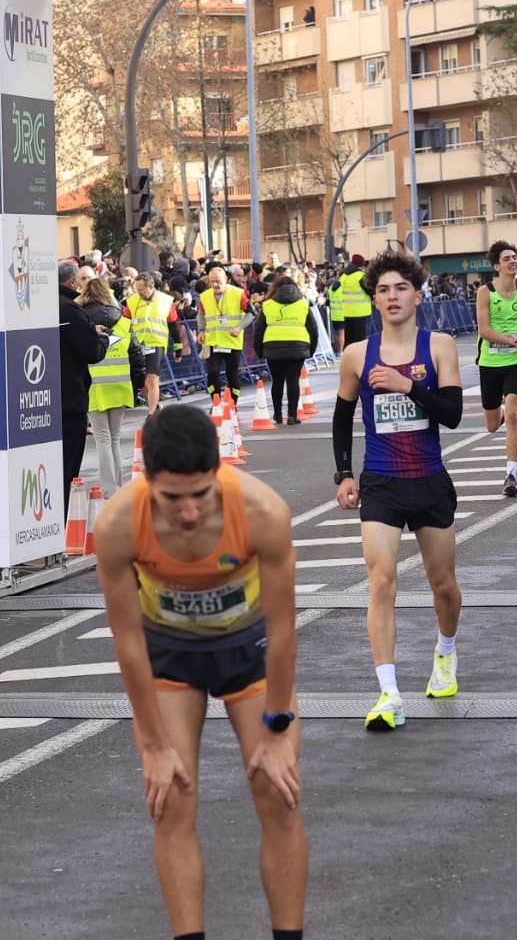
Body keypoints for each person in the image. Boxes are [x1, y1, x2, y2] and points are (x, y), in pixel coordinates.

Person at [93, 406, 307, 940]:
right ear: (146, 480)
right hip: (170, 657)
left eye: (201, 495)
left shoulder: (262, 511)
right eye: (171, 499)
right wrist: (153, 742)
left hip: (251, 650)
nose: (188, 513)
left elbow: (286, 628)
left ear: (220, 471)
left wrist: (279, 726)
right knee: (170, 800)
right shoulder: (117, 524)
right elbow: (128, 643)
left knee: (278, 793)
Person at [332, 251, 464, 731]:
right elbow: (343, 416)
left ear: (418, 295)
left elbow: (450, 413)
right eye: (383, 290)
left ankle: (445, 652)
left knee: (443, 586)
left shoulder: (440, 346)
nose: (392, 296)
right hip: (382, 482)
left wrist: (408, 385)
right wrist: (343, 474)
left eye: (400, 288)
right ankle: (389, 694)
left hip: (428, 478)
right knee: (381, 580)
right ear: (374, 299)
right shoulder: (357, 355)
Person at [475, 241, 517, 497]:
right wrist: (514, 339)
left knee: (513, 413)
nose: (513, 261)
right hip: (489, 363)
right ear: (496, 266)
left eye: (514, 257)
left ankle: (511, 473)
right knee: (492, 425)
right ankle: (500, 414)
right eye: (507, 258)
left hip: (514, 362)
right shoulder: (486, 292)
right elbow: (485, 330)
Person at [59, 259, 107, 513]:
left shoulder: (44, 306)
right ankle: (63, 522)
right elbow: (90, 351)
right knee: (68, 467)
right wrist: (102, 340)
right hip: (71, 397)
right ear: (72, 282)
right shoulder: (70, 310)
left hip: (45, 399)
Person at [254, 272, 318, 426]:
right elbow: (313, 329)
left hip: (273, 347)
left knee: (277, 381)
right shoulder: (303, 304)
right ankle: (292, 415)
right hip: (297, 347)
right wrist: (311, 349)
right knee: (292, 381)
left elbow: (258, 330)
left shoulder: (267, 305)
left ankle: (277, 414)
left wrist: (259, 350)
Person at [88, 300, 138, 496]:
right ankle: (117, 485)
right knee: (114, 438)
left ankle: (109, 488)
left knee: (102, 439)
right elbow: (136, 354)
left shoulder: (84, 323)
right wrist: (138, 382)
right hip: (120, 385)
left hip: (94, 387)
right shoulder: (124, 322)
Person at [126, 271, 183, 414]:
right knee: (142, 383)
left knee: (152, 379)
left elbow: (173, 326)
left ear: (151, 286)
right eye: (136, 289)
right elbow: (125, 323)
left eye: (141, 289)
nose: (138, 292)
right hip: (138, 345)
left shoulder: (166, 301)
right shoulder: (132, 301)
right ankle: (155, 406)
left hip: (156, 343)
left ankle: (151, 414)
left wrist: (178, 347)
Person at [198, 267, 250, 405]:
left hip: (232, 341)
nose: (215, 284)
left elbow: (251, 314)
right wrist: (201, 330)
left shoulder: (238, 294)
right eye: (212, 281)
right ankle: (215, 403)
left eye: (218, 281)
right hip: (212, 341)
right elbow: (201, 314)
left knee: (232, 374)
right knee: (212, 373)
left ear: (226, 280)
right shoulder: (205, 296)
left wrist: (239, 328)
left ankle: (233, 404)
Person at [336, 253, 371, 347]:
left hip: (345, 313)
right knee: (360, 342)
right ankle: (360, 361)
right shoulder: (361, 276)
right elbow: (370, 290)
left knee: (349, 342)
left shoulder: (343, 276)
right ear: (361, 265)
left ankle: (349, 360)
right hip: (360, 313)